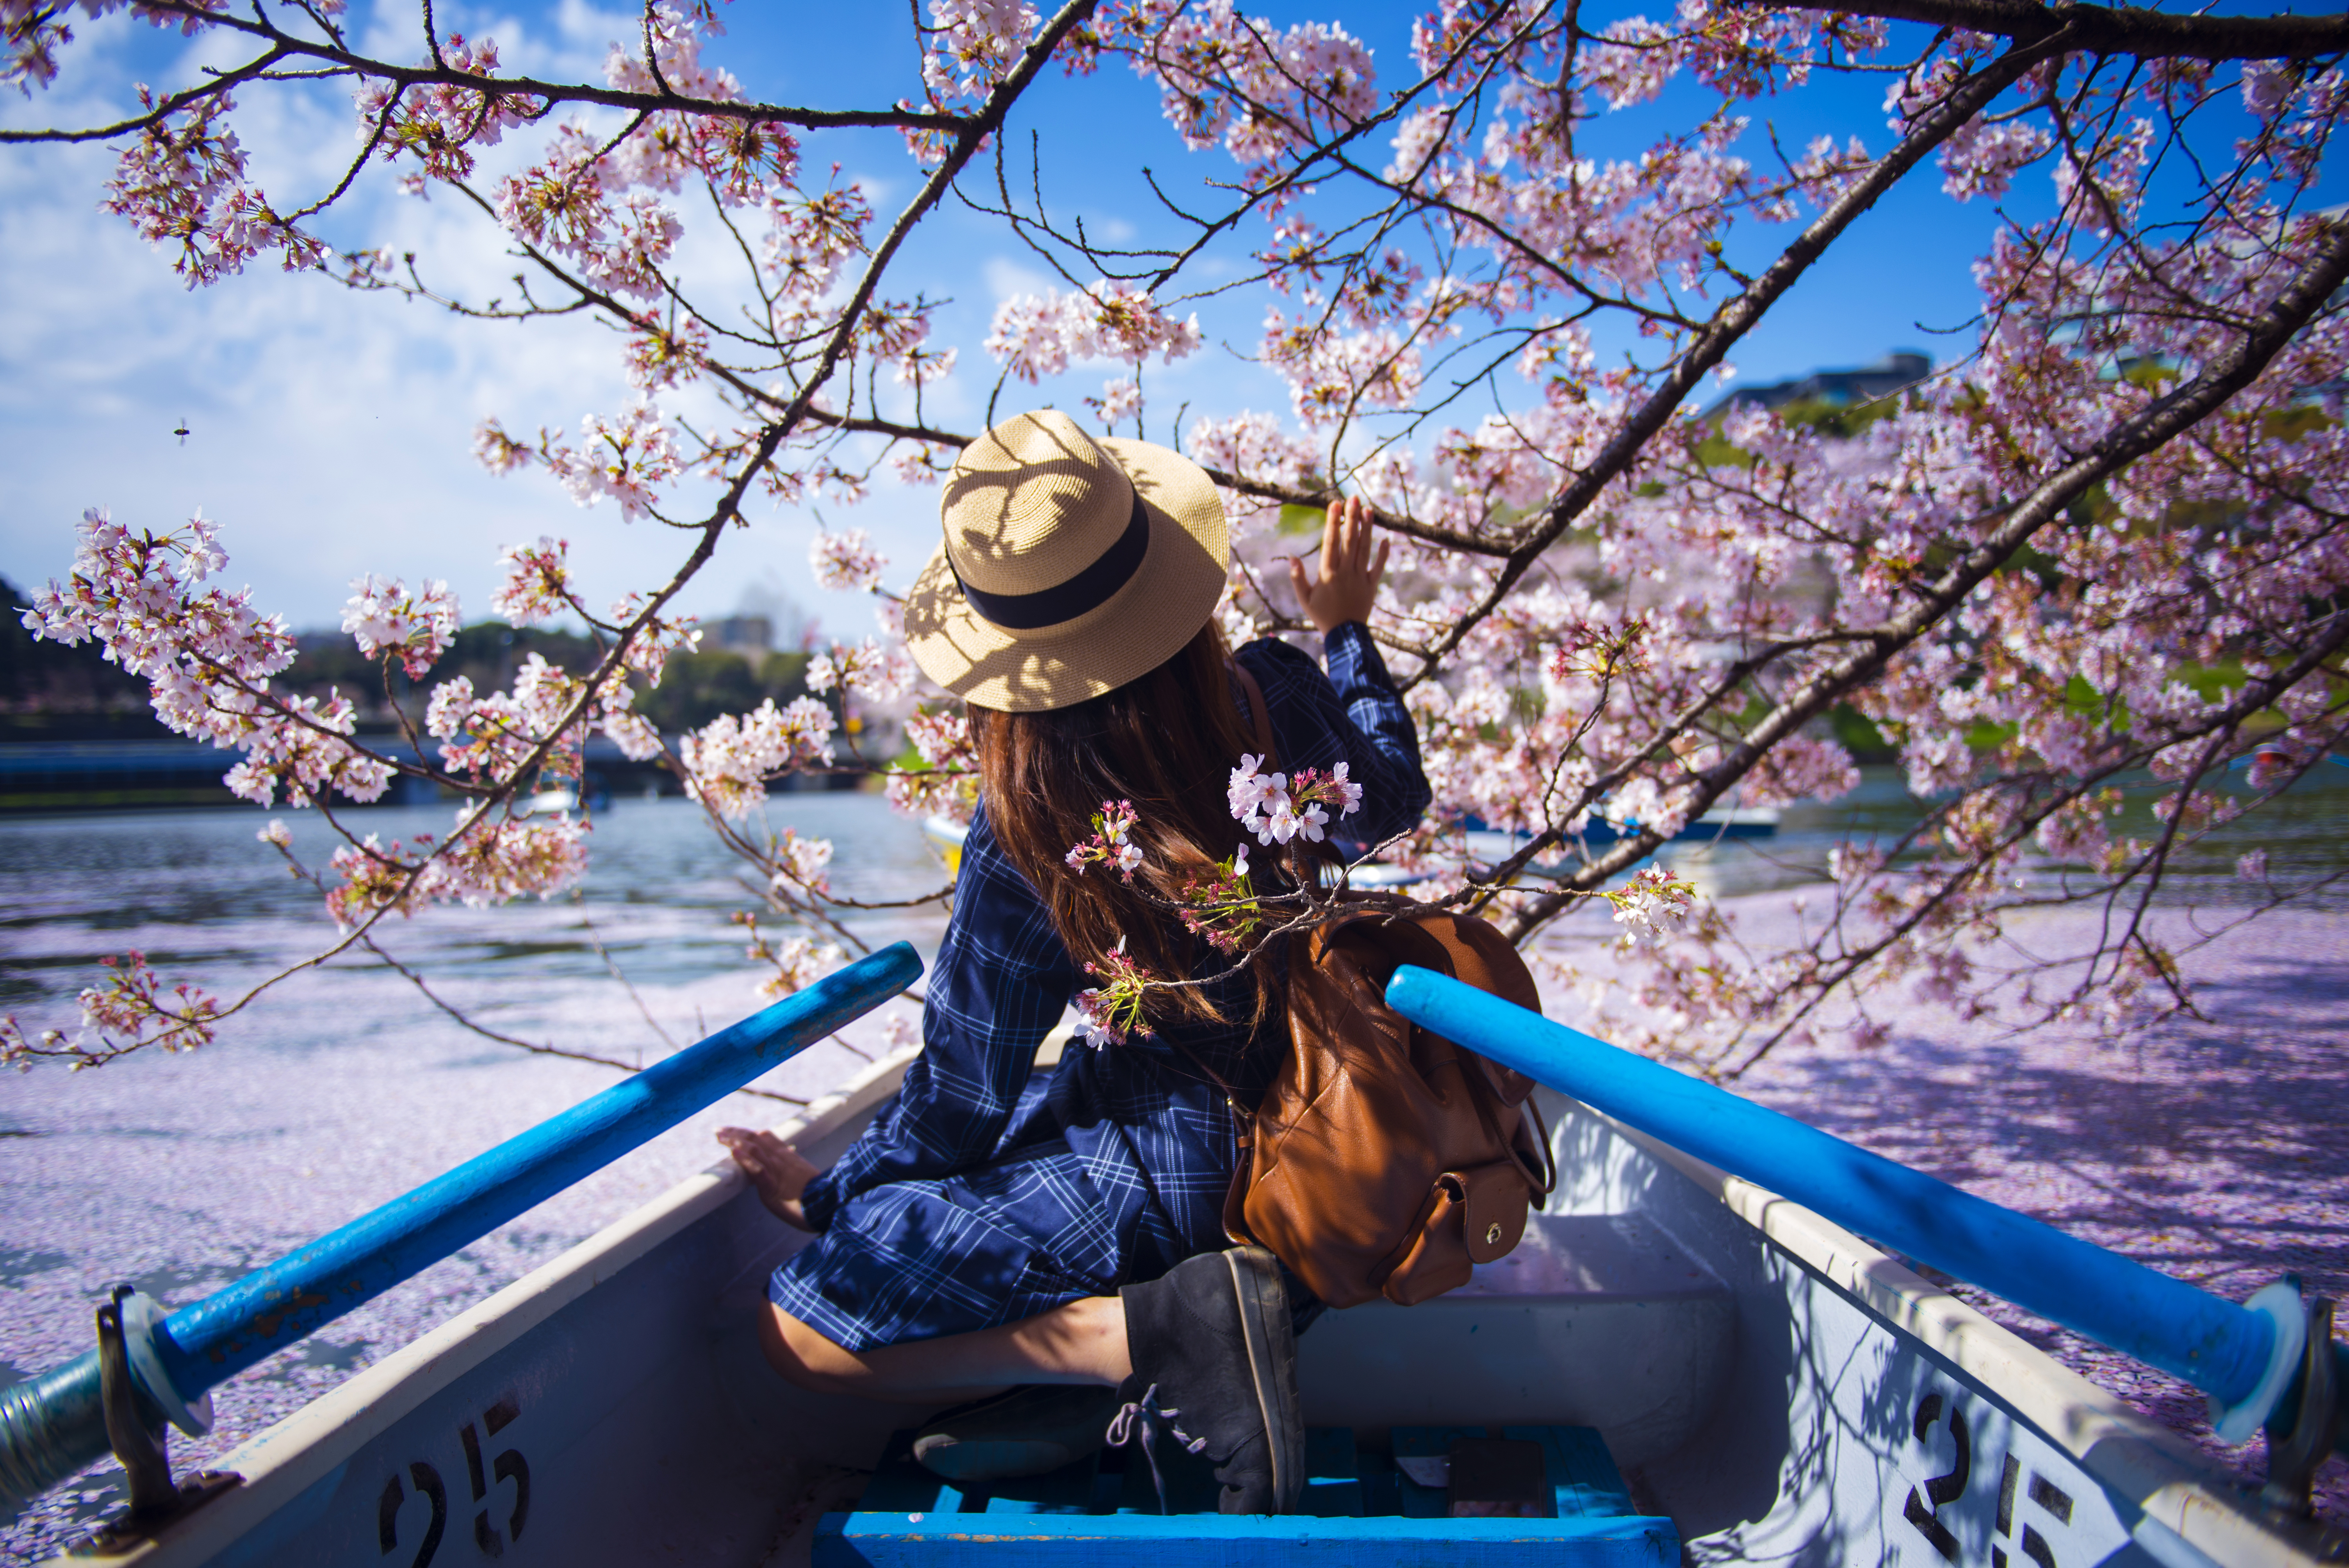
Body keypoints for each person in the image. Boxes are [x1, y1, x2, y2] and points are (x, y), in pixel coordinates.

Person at [716, 410, 1430, 1515]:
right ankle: (1142, 1369)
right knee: (978, 1157)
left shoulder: (1033, 823)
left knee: (797, 1324)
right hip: (1334, 1139)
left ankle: (1150, 1337)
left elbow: (961, 1095)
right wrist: (1345, 631)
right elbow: (1392, 791)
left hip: (1182, 1186)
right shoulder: (1275, 692)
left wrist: (829, 1200)